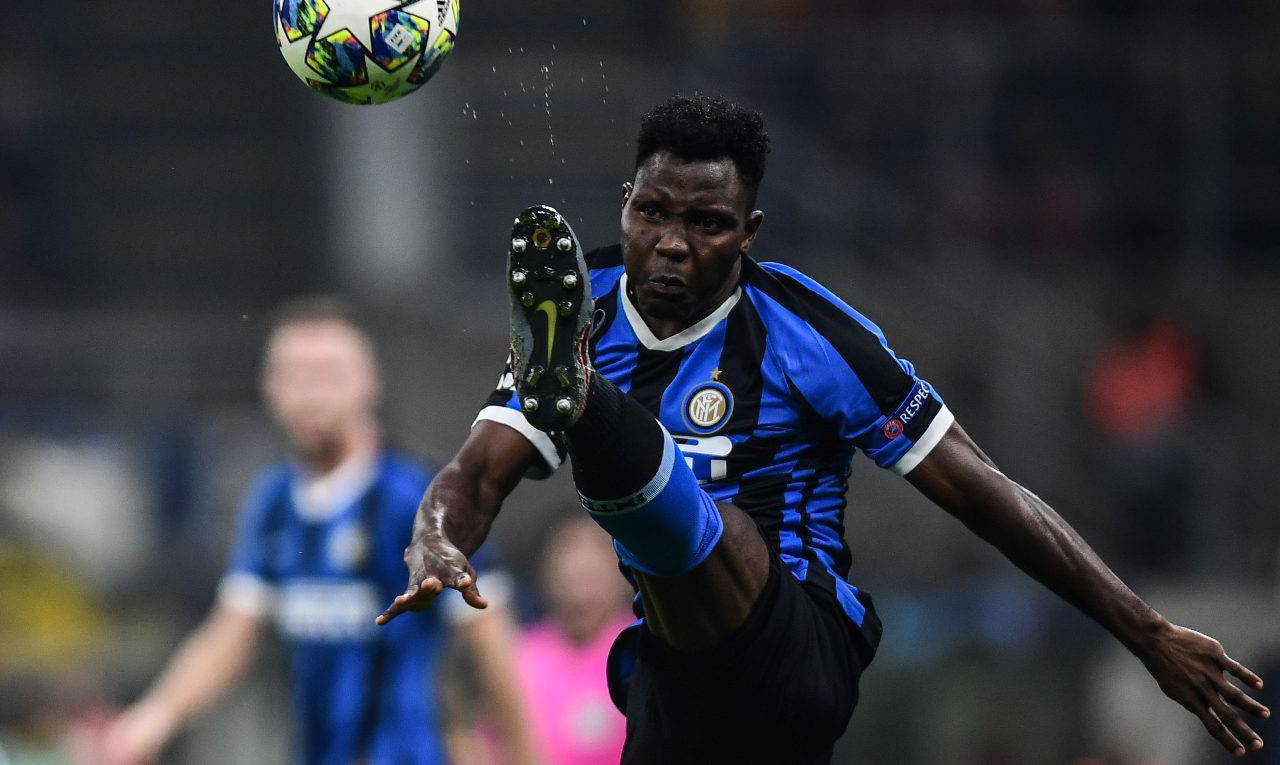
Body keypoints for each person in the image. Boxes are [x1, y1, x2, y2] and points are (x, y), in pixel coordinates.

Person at [378, 95, 1270, 762]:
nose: (674, 242)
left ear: (749, 231)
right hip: (674, 677)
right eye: (653, 213)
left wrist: (1147, 632)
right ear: (626, 206)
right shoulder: (588, 305)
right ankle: (585, 411)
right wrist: (433, 538)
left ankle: (584, 405)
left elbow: (988, 495)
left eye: (707, 223)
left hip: (799, 649)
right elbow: (475, 476)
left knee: (694, 514)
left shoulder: (814, 334)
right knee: (658, 557)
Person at [105, 298, 532, 765]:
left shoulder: (421, 499)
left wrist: (525, 757)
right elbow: (233, 631)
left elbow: (490, 640)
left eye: (328, 374)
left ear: (371, 382)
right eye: (294, 375)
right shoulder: (273, 502)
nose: (310, 394)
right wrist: (155, 716)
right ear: (269, 387)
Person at [513, 514, 632, 765]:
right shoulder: (520, 657)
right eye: (566, 558)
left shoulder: (641, 650)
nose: (580, 588)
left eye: (591, 573)